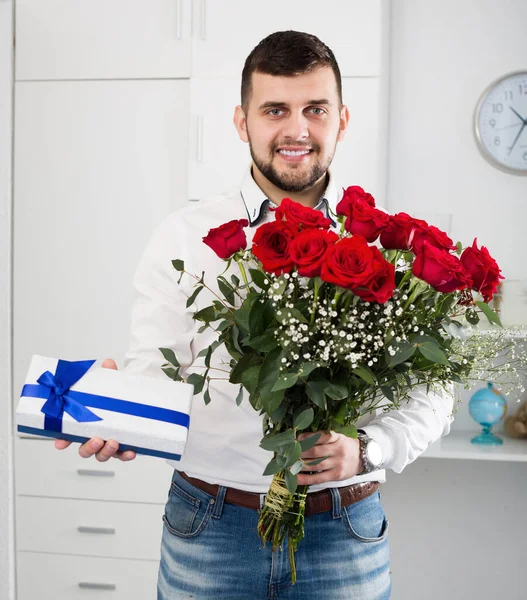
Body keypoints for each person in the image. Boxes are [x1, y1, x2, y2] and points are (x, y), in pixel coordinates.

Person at [55, 31, 454, 599]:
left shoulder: (394, 245)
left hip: (343, 531)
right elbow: (156, 372)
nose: (297, 130)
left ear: (342, 119)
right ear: (242, 122)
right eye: (275, 110)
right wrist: (118, 413)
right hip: (209, 528)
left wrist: (367, 448)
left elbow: (432, 391)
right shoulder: (185, 239)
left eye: (315, 109)